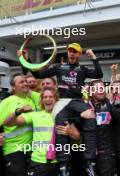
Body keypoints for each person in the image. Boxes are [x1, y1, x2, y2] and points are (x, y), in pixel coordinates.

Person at [18, 43, 103, 172]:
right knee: (60, 126)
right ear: (68, 53)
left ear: (79, 54)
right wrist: (26, 60)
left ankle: (89, 160)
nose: (72, 53)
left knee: (91, 115)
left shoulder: (83, 69)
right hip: (62, 102)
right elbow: (38, 75)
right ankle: (63, 164)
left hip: (76, 101)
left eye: (75, 52)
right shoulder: (59, 67)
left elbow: (99, 74)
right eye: (70, 51)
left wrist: (93, 57)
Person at [0, 73, 41, 176]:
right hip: (14, 149)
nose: (25, 83)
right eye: (21, 82)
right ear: (13, 87)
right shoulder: (6, 102)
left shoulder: (33, 100)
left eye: (26, 81)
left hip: (32, 149)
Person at [85, 79, 120, 176]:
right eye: (97, 88)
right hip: (89, 154)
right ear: (91, 91)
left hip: (107, 154)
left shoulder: (108, 105)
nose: (100, 90)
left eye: (102, 88)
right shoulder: (84, 106)